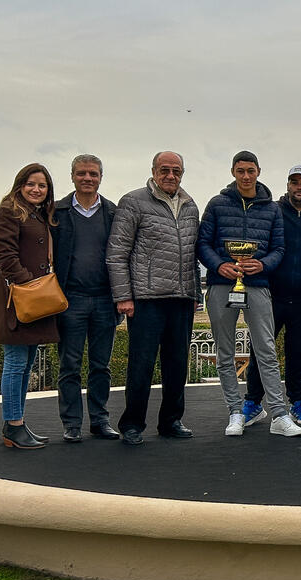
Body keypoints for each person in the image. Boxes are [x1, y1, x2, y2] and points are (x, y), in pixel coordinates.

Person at [196, 151, 301, 438]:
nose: (245, 176)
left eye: (250, 171)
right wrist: (219, 265)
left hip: (257, 286)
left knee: (266, 349)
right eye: (240, 171)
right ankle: (235, 411)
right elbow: (203, 243)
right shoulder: (217, 204)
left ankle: (279, 414)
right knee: (225, 352)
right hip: (221, 285)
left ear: (258, 171)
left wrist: (262, 264)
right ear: (233, 172)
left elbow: (279, 248)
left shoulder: (272, 209)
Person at [107, 151, 201, 446]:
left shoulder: (190, 206)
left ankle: (171, 420)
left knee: (177, 364)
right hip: (146, 299)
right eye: (165, 170)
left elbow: (193, 254)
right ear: (153, 170)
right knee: (141, 365)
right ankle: (132, 424)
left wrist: (196, 293)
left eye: (176, 171)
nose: (170, 176)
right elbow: (117, 253)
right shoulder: (133, 202)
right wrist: (124, 296)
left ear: (182, 173)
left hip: (182, 298)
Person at [241, 164, 301, 427]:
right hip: (270, 296)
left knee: (300, 354)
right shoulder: (271, 210)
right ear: (287, 185)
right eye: (294, 182)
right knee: (260, 352)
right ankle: (253, 402)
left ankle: (297, 402)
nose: (299, 187)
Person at [0, 163, 59, 449]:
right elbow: (5, 257)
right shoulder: (8, 211)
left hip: (32, 299)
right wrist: (32, 285)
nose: (36, 189)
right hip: (16, 300)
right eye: (31, 184)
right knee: (16, 363)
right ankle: (13, 426)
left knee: (26, 362)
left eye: (42, 185)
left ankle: (18, 423)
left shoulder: (39, 214)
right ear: (20, 184)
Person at [52, 155, 120, 442]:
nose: (87, 178)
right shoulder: (56, 212)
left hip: (105, 299)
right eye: (82, 173)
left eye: (93, 174)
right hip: (70, 300)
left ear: (101, 177)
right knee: (69, 365)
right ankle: (71, 424)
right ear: (72, 176)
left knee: (100, 365)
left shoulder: (113, 213)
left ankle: (100, 420)